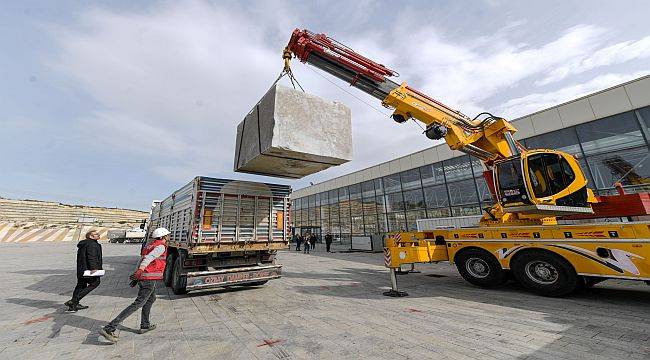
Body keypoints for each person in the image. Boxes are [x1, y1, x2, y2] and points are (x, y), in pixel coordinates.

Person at [99, 228, 169, 343]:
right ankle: (109, 328)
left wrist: (137, 275)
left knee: (151, 299)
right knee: (138, 303)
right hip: (148, 278)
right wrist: (140, 271)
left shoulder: (150, 245)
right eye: (167, 236)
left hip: (146, 277)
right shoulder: (160, 246)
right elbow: (148, 258)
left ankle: (145, 325)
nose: (168, 237)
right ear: (162, 237)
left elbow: (141, 259)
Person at [65, 230, 103, 311]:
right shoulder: (92, 244)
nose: (98, 235)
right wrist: (94, 268)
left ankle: (73, 305)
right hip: (89, 269)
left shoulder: (84, 244)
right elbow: (91, 257)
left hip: (82, 269)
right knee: (95, 283)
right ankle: (73, 301)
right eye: (96, 234)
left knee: (81, 285)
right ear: (90, 236)